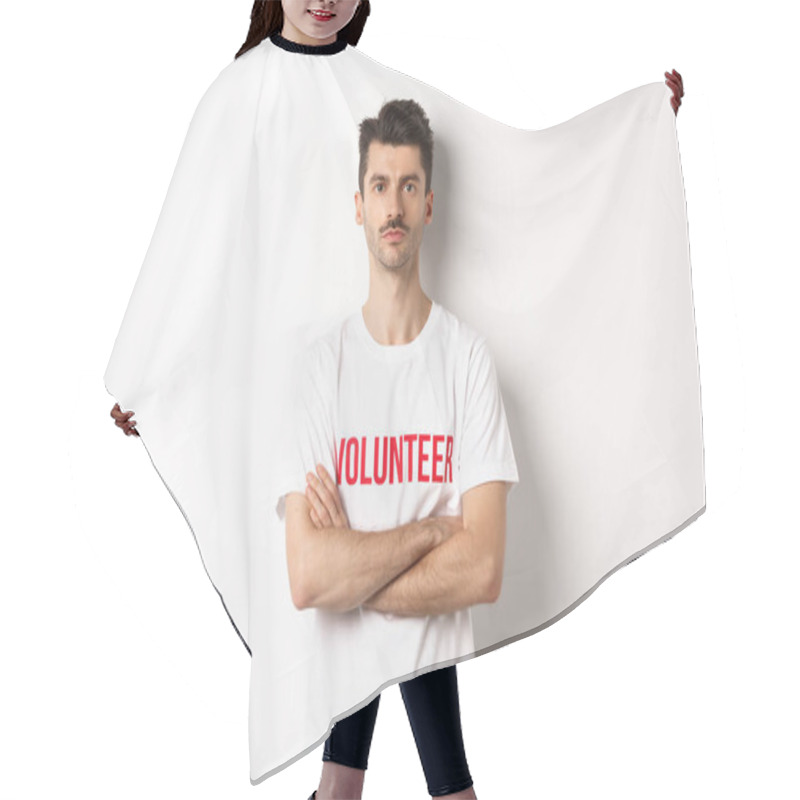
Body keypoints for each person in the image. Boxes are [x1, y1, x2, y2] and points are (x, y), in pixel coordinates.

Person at [109, 0, 684, 438]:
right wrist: (141, 370)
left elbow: (499, 172)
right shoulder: (241, 91)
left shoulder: (379, 89)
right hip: (276, 369)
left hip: (371, 370)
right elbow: (195, 236)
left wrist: (632, 133)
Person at [278, 97, 519, 800]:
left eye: (408, 186)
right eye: (380, 186)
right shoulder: (323, 367)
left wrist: (355, 567)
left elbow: (481, 572)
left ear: (429, 204)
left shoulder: (467, 360)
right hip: (355, 683)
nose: (394, 205)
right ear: (358, 204)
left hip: (398, 677)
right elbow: (307, 579)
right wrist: (429, 533)